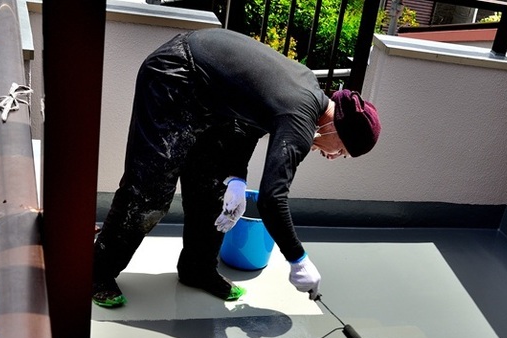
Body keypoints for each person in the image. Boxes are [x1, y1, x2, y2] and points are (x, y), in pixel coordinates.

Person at [91, 28, 381, 308]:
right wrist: (298, 259)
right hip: (175, 74)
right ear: (339, 129)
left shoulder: (305, 90)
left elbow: (248, 125)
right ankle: (95, 271)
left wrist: (237, 179)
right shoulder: (301, 115)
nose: (332, 156)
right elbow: (272, 199)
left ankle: (197, 269)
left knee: (214, 186)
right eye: (342, 151)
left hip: (206, 94)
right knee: (150, 190)